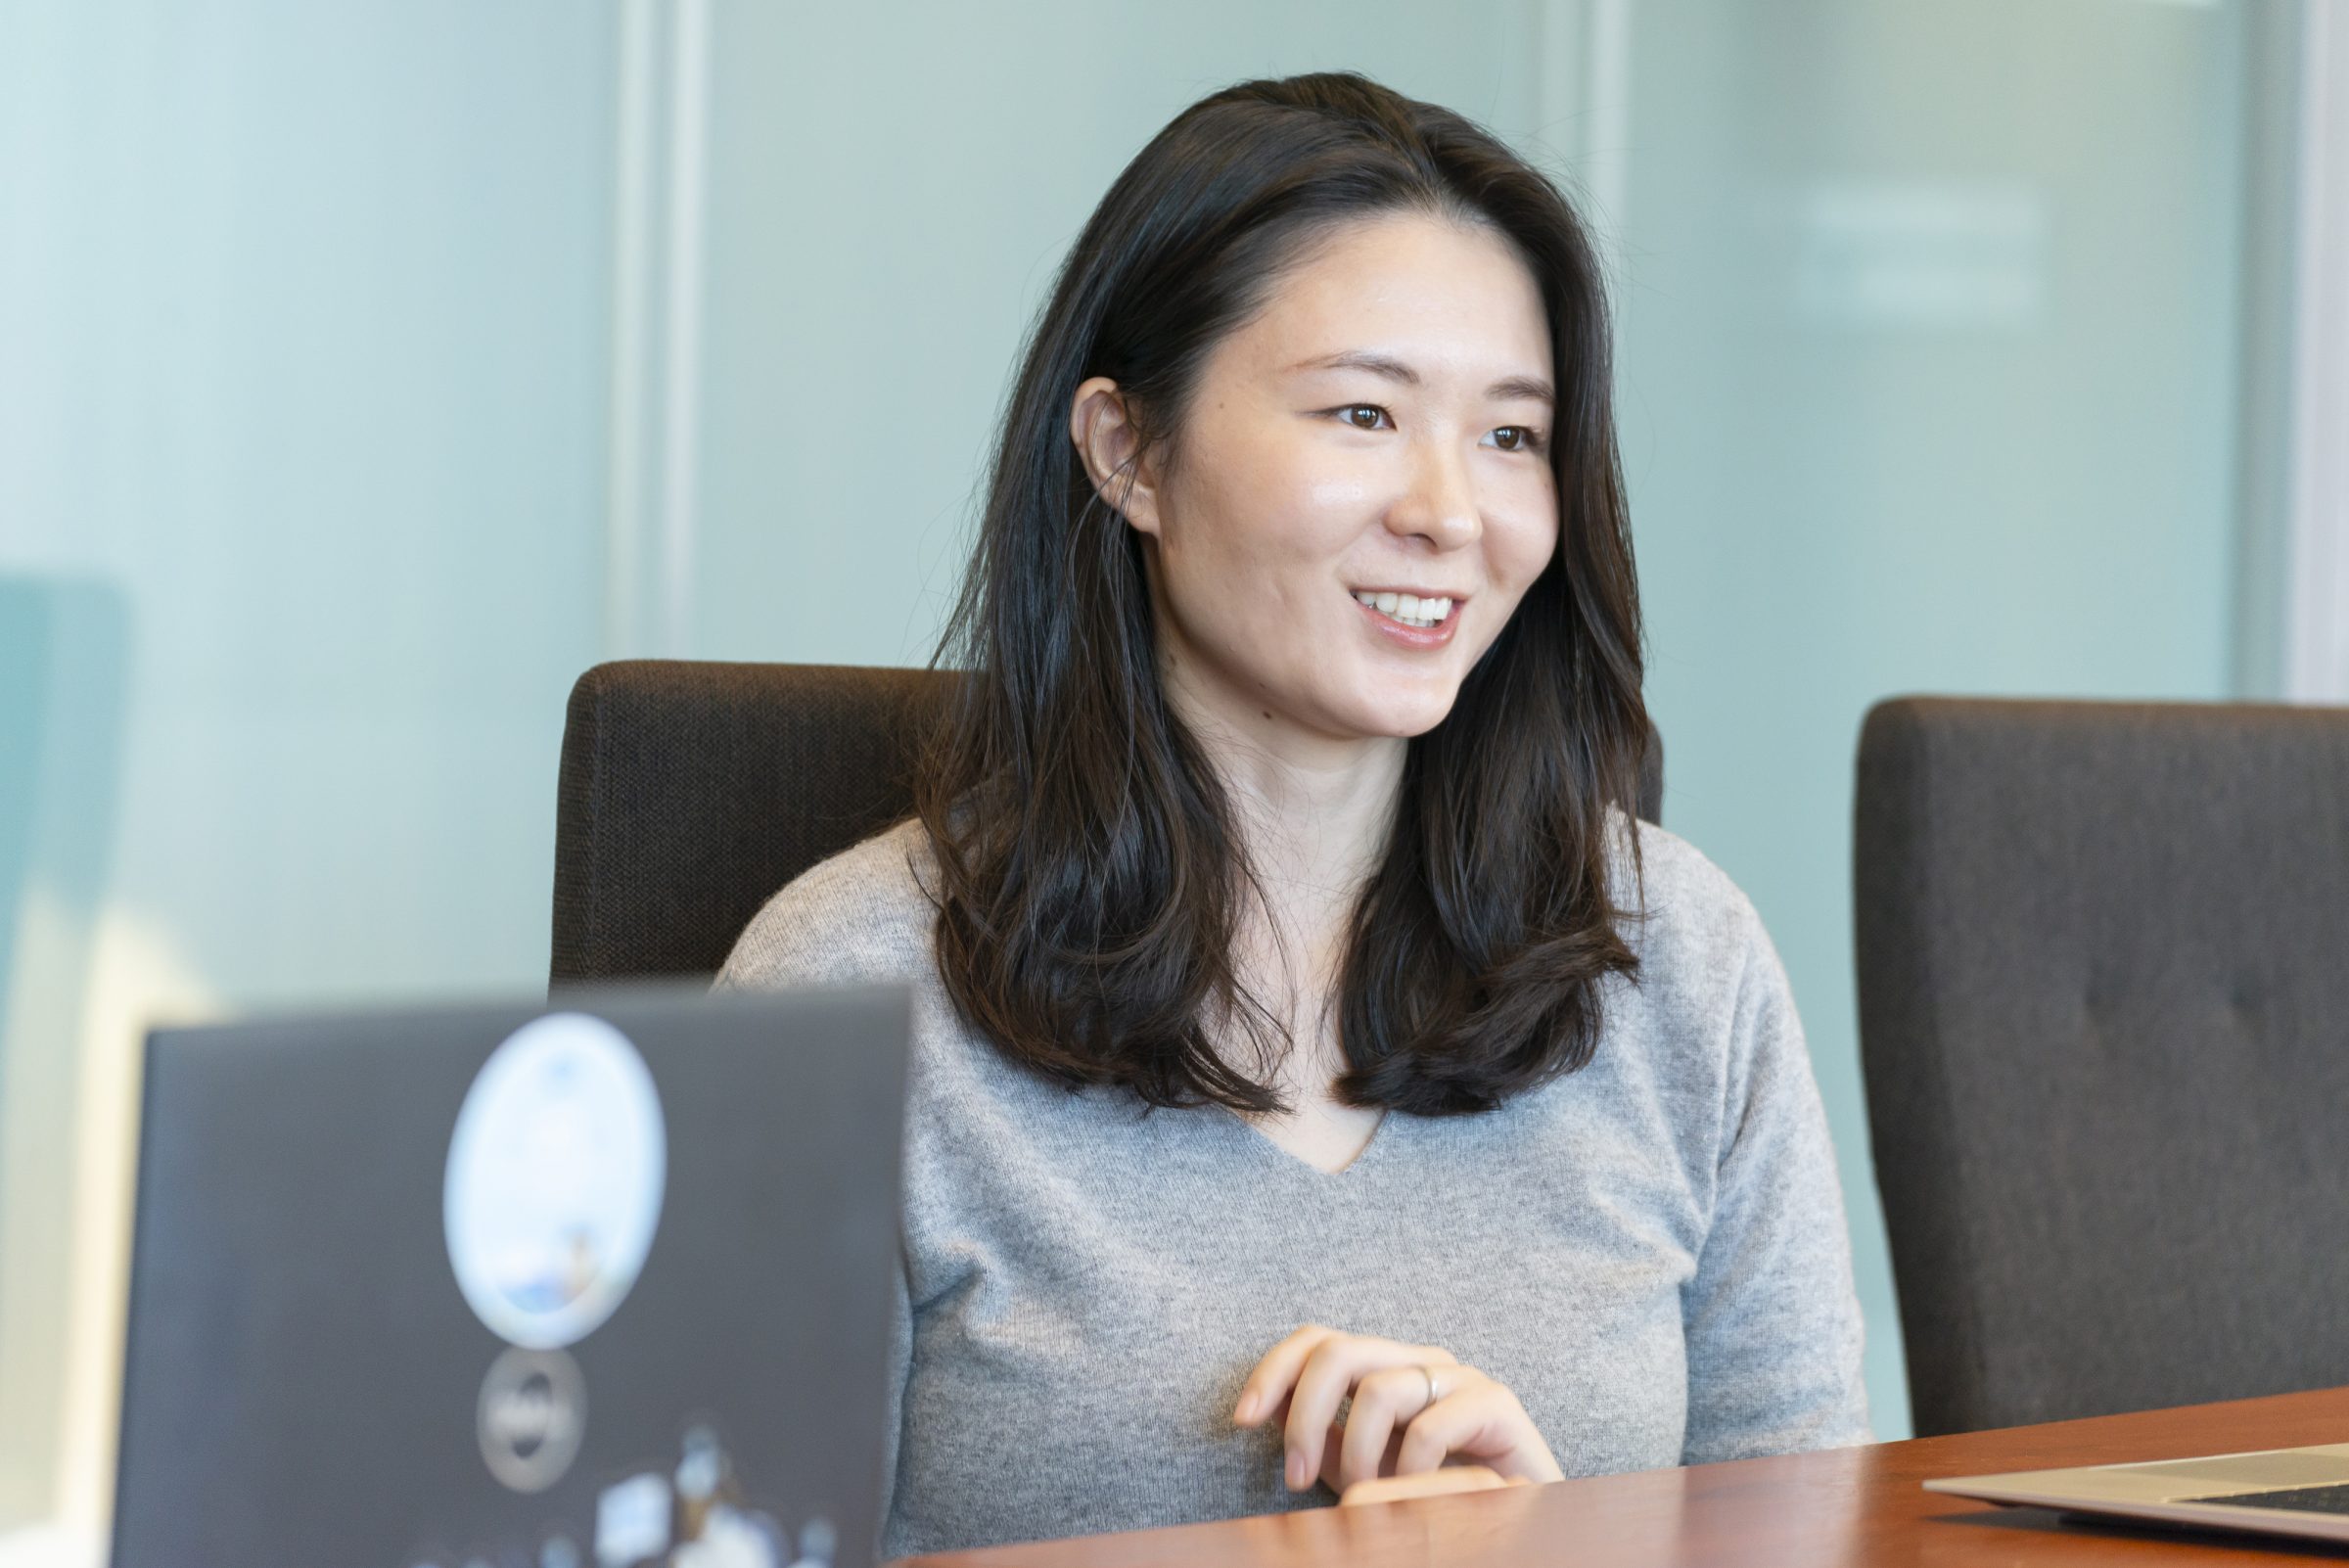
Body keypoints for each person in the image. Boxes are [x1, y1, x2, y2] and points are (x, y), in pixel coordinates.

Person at [716, 69, 1867, 1559]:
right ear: (1129, 451)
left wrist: (1560, 1544)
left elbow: (1818, 1538)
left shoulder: (1677, 959)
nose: (1453, 513)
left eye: (1513, 437)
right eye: (1365, 411)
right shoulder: (850, 992)